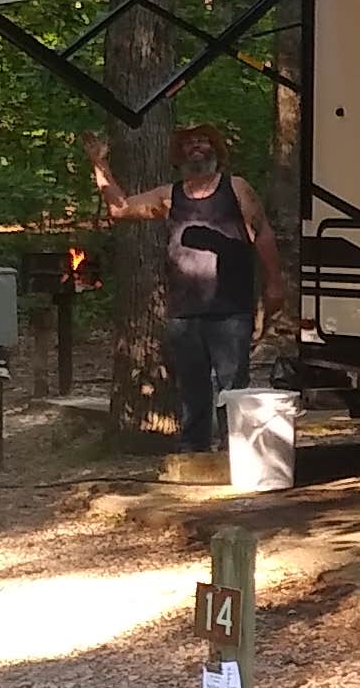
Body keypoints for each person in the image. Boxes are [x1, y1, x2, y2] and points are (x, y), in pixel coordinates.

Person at [86, 120, 285, 454]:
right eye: (189, 143)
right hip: (184, 311)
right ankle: (193, 451)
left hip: (231, 308)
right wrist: (100, 164)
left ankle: (236, 451)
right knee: (192, 386)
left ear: (216, 150)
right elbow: (119, 209)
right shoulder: (169, 196)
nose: (196, 146)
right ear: (179, 154)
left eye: (204, 141)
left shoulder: (235, 188)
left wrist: (275, 283)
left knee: (232, 384)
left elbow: (262, 232)